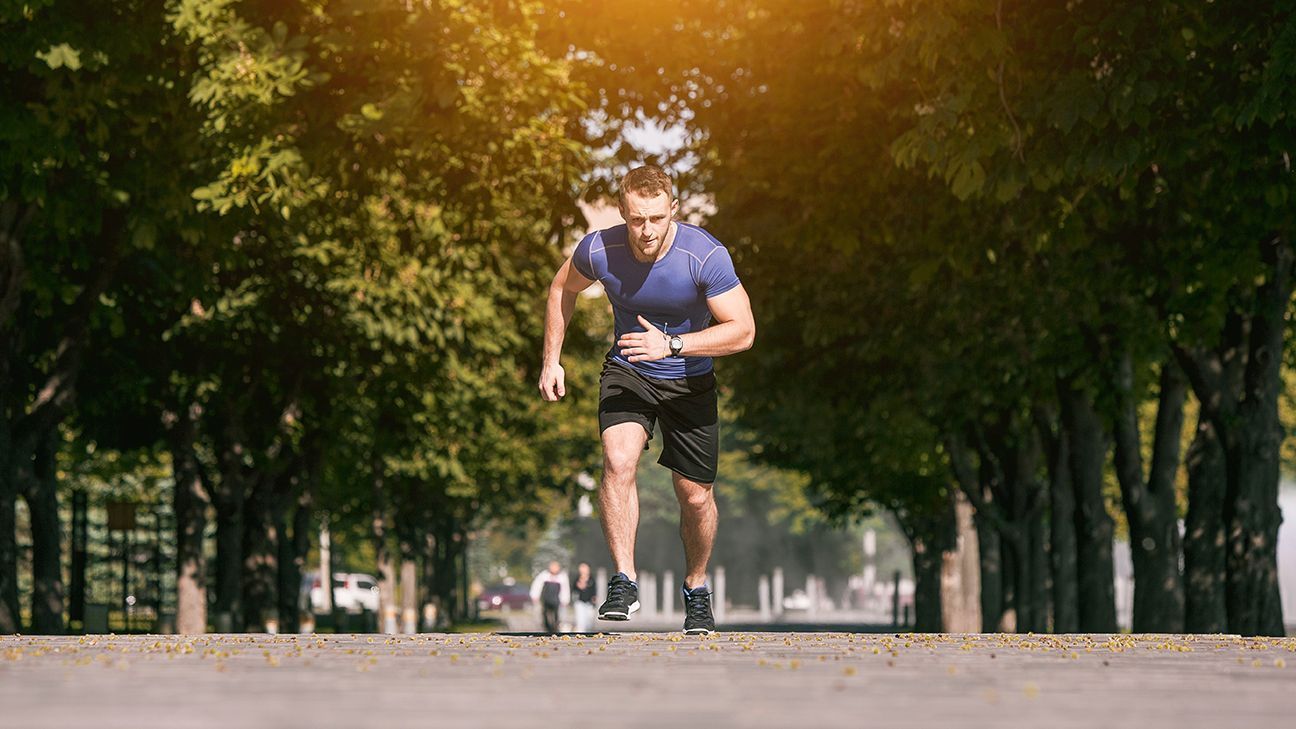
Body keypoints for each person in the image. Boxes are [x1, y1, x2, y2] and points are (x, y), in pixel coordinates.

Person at [538, 165, 756, 635]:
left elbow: (743, 332)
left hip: (689, 378)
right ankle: (624, 580)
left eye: (657, 218)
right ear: (623, 212)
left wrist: (674, 345)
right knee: (618, 461)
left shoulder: (704, 256)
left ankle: (696, 590)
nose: (647, 231)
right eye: (637, 220)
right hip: (629, 369)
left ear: (672, 210)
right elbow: (562, 288)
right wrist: (551, 359)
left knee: (695, 497)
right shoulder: (599, 248)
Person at [529, 561, 570, 633]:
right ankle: (547, 629)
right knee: (545, 615)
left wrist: (565, 599)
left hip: (556, 600)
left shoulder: (562, 577)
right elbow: (537, 585)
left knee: (556, 617)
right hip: (546, 599)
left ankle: (555, 630)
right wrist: (535, 596)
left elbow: (565, 589)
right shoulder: (544, 575)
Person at [570, 562, 597, 633]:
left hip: (589, 603)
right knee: (580, 620)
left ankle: (589, 633)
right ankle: (580, 633)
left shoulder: (591, 579)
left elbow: (594, 591)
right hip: (579, 602)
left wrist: (594, 599)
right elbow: (573, 591)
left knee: (589, 621)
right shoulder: (577, 579)